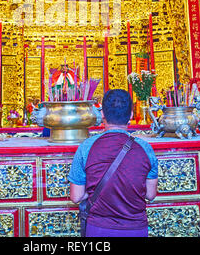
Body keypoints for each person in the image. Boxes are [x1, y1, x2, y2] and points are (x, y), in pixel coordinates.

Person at [68, 89, 158, 237]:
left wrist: (92, 192)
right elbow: (150, 194)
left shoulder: (87, 147)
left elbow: (76, 197)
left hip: (98, 229)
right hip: (135, 228)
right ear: (130, 115)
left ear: (102, 114)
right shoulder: (145, 149)